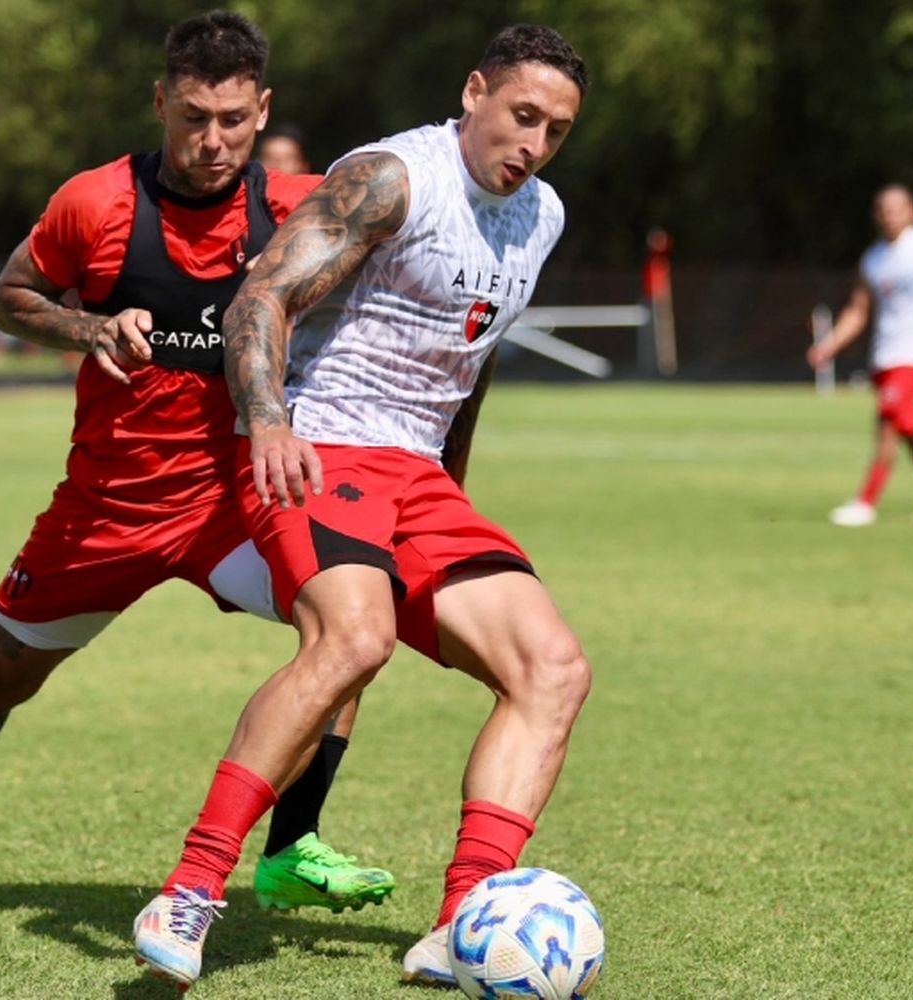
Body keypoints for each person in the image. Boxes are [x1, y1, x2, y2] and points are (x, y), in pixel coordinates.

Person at [0, 11, 395, 919]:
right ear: (160, 100)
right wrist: (89, 327)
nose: (214, 141)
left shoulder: (294, 210)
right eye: (194, 117)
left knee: (353, 628)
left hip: (234, 505)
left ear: (264, 110)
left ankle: (292, 847)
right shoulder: (94, 203)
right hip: (108, 507)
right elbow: (11, 297)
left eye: (235, 120)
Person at [133, 25, 593, 991]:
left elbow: (477, 354)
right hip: (323, 443)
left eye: (554, 130)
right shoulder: (392, 179)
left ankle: (466, 918)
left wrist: (451, 485)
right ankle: (190, 887)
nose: (534, 144)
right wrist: (267, 426)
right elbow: (259, 298)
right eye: (522, 116)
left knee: (552, 667)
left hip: (417, 475)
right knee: (354, 641)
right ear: (474, 92)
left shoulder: (541, 213)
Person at [808, 184, 913, 526]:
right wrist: (830, 344)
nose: (891, 216)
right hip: (885, 353)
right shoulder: (874, 259)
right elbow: (858, 311)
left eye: (898, 209)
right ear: (877, 215)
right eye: (884, 210)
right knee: (902, 425)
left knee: (890, 414)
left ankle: (865, 503)